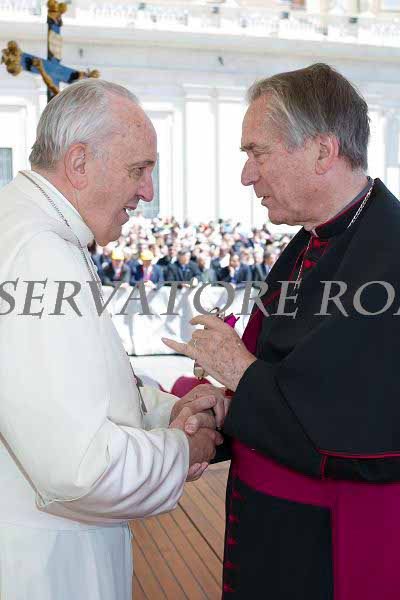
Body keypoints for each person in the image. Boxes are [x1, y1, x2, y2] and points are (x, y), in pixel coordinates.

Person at [163, 63, 400, 600]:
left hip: (333, 545)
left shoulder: (389, 253)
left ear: (322, 151)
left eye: (258, 152)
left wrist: (238, 372)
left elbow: (358, 426)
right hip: (272, 527)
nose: (247, 176)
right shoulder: (309, 240)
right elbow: (284, 378)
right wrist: (223, 406)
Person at [0, 79, 226, 600]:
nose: (147, 192)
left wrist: (165, 410)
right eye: (138, 170)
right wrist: (183, 447)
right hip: (47, 570)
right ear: (79, 163)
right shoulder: (41, 254)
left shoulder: (30, 228)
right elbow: (79, 469)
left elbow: (78, 387)